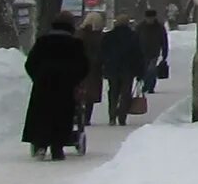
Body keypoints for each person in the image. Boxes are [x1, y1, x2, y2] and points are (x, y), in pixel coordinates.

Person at [21, 13, 91, 160]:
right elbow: (84, 66)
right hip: (65, 86)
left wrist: (38, 77)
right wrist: (75, 79)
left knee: (42, 114)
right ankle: (57, 148)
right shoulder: (75, 44)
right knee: (62, 115)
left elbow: (30, 63)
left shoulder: (42, 42)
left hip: (43, 85)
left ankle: (40, 145)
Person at [100, 12, 144, 127]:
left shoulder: (109, 36)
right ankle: (122, 116)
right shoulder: (133, 36)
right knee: (126, 93)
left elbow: (103, 53)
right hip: (128, 70)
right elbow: (138, 55)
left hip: (112, 69)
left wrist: (104, 65)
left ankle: (112, 115)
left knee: (113, 92)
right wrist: (140, 72)